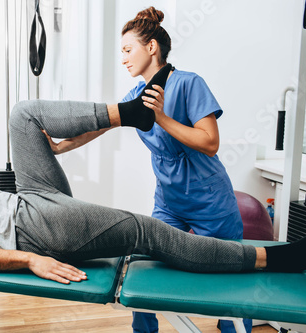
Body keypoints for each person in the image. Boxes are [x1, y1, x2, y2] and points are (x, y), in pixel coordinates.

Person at [0, 99, 306, 288]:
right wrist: (28, 260)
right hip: (30, 228)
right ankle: (275, 259)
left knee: (23, 115)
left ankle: (132, 111)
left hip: (30, 199)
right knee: (147, 232)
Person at [115, 7, 250, 332]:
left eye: (127, 49)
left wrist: (161, 116)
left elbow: (209, 142)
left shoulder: (190, 84)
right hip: (169, 205)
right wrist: (61, 144)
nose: (123, 59)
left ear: (151, 48)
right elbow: (101, 124)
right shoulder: (136, 96)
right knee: (142, 269)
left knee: (233, 286)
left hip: (211, 204)